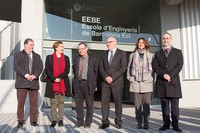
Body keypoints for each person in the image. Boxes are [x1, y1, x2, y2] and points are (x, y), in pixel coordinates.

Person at [153, 32, 183, 131]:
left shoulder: (178, 52)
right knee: (164, 106)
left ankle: (175, 124)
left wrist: (170, 75)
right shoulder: (157, 53)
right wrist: (163, 74)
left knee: (175, 107)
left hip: (173, 83)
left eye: (167, 38)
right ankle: (166, 124)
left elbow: (179, 66)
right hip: (162, 83)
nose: (165, 40)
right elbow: (155, 67)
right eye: (164, 38)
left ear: (171, 39)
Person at [99, 36, 127, 129]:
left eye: (110, 42)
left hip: (117, 82)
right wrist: (106, 77)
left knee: (118, 102)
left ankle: (118, 121)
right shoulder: (103, 54)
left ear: (115, 42)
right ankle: (105, 121)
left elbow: (123, 68)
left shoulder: (122, 53)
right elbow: (101, 68)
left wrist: (112, 77)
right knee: (104, 102)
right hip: (105, 82)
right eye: (107, 42)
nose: (108, 44)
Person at [14, 38, 43, 128]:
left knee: (34, 103)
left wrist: (34, 75)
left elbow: (40, 67)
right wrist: (26, 75)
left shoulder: (37, 56)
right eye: (30, 45)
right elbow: (16, 67)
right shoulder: (18, 55)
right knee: (21, 103)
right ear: (25, 45)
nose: (32, 47)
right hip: (22, 82)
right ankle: (20, 121)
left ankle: (33, 120)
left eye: (33, 45)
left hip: (33, 82)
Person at [127, 38, 153, 129]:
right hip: (136, 83)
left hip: (147, 83)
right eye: (139, 42)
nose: (140, 44)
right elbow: (129, 67)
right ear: (137, 44)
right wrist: (130, 78)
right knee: (137, 106)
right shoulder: (132, 55)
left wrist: (152, 78)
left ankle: (146, 122)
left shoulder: (150, 55)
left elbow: (154, 69)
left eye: (142, 42)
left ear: (145, 44)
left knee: (146, 105)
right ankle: (139, 122)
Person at [44, 41, 71, 127]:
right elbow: (47, 69)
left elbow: (67, 71)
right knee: (53, 102)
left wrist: (59, 77)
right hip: (53, 83)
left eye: (63, 47)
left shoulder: (66, 58)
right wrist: (54, 78)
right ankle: (54, 120)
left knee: (61, 101)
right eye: (61, 46)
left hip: (62, 82)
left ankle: (61, 120)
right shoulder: (49, 58)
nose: (63, 48)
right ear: (56, 47)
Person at [72, 42, 98, 128]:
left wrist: (95, 85)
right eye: (79, 49)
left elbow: (96, 73)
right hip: (78, 84)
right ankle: (79, 122)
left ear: (86, 49)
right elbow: (74, 72)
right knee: (78, 105)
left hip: (88, 84)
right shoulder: (76, 59)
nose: (81, 51)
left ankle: (88, 123)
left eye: (82, 49)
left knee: (89, 105)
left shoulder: (93, 59)